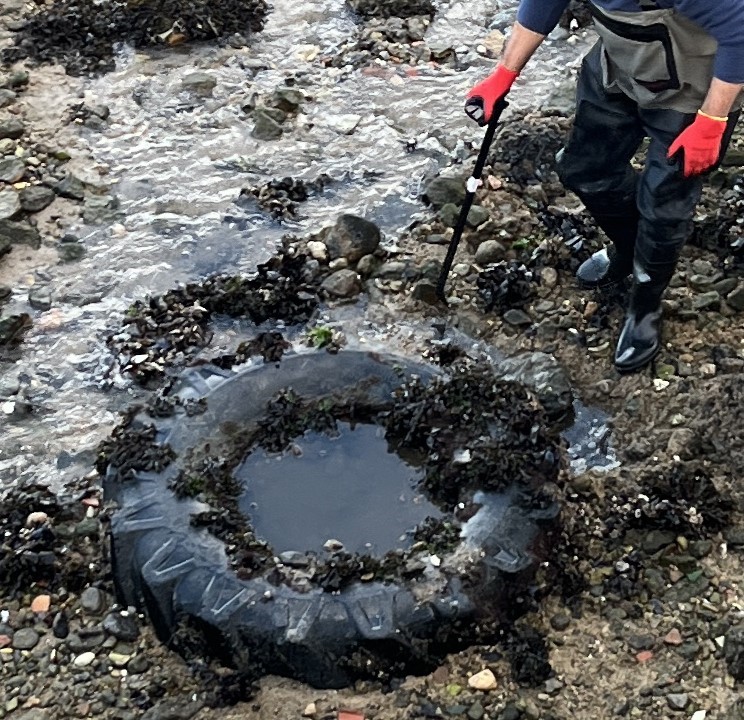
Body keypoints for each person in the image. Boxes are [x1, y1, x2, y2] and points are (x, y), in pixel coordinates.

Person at [465, 0, 744, 373]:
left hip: (693, 95)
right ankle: (630, 250)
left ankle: (645, 306)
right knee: (582, 169)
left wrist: (712, 120)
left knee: (663, 207)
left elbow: (741, 32)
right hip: (618, 68)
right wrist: (504, 74)